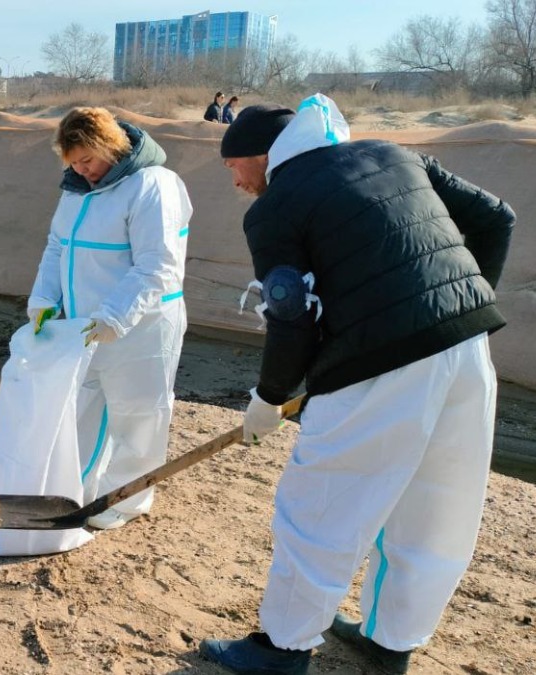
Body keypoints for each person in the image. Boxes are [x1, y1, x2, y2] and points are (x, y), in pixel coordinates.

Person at [200, 94, 514, 674]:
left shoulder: (276, 208)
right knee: (435, 506)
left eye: (232, 165)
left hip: (378, 368)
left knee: (320, 506)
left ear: (262, 157)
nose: (233, 178)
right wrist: (453, 309)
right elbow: (498, 217)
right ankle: (391, 641)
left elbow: (291, 312)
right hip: (469, 351)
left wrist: (269, 397)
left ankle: (283, 649)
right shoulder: (392, 154)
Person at [27, 107, 192, 530]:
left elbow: (158, 265)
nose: (83, 171)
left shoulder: (154, 186)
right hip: (82, 326)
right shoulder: (76, 190)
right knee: (81, 407)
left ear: (110, 147)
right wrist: (45, 297)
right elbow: (56, 245)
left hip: (143, 325)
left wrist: (116, 317)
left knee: (139, 412)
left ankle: (127, 499)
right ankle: (73, 493)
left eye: (88, 160)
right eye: (74, 164)